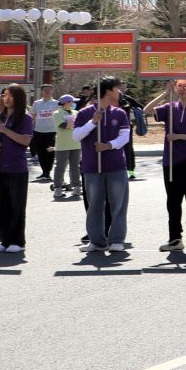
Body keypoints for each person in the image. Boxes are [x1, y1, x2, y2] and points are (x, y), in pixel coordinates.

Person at [149, 79, 186, 251]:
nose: (182, 89)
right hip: (170, 161)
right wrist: (164, 93)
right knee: (173, 202)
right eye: (179, 86)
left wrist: (179, 136)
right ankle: (175, 239)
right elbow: (146, 110)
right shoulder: (169, 107)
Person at [74, 77, 133, 253]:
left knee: (118, 205)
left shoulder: (120, 113)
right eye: (117, 88)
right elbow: (76, 136)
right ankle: (97, 241)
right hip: (92, 166)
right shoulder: (84, 113)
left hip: (116, 166)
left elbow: (125, 137)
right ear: (108, 91)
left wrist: (108, 145)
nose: (119, 92)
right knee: (94, 205)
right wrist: (92, 122)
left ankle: (117, 240)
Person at [0, 83, 33, 254]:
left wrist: (5, 130)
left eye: (11, 95)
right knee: (0, 206)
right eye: (4, 95)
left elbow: (25, 140)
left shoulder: (25, 118)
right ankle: (4, 240)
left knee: (16, 206)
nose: (7, 98)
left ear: (19, 98)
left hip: (16, 168)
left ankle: (17, 241)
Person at [50, 95, 81, 200]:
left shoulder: (76, 112)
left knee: (75, 166)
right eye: (72, 102)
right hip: (62, 145)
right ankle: (58, 188)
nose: (73, 104)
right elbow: (64, 126)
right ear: (66, 102)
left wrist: (72, 124)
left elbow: (79, 125)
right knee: (60, 167)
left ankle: (77, 187)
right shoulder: (57, 113)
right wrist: (72, 124)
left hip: (76, 144)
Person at [30, 84, 59, 181]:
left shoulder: (56, 103)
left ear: (52, 91)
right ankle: (44, 171)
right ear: (41, 92)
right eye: (45, 90)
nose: (47, 91)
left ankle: (48, 172)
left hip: (51, 131)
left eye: (49, 90)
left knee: (50, 152)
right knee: (40, 152)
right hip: (38, 131)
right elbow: (32, 116)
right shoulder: (37, 103)